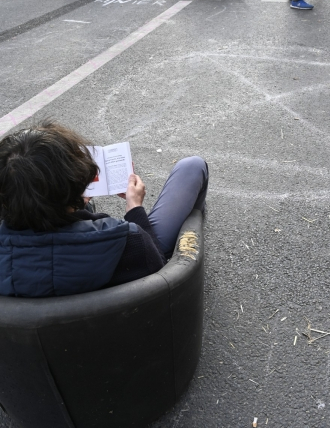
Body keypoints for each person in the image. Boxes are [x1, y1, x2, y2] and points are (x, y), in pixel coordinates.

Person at [0, 121, 209, 298]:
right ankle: (191, 243)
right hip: (129, 294)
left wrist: (75, 205)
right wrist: (134, 209)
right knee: (192, 167)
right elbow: (157, 267)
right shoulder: (128, 239)